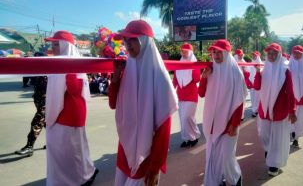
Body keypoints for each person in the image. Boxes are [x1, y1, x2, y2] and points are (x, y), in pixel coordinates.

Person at [108, 20, 178, 186]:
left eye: (132, 39)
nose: (127, 44)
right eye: (125, 40)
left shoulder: (159, 77)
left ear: (145, 41)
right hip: (125, 149)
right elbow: (113, 104)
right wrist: (116, 79)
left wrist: (155, 167)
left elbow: (164, 127)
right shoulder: (127, 70)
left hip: (147, 154)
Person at [44, 30, 98, 186]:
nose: (52, 48)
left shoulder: (73, 64)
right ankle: (78, 176)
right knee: (66, 151)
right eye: (52, 44)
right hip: (60, 115)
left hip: (70, 115)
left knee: (72, 151)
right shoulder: (56, 63)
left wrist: (70, 70)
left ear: (65, 46)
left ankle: (79, 178)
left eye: (56, 44)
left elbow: (75, 90)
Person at [198, 39, 246, 186]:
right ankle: (214, 181)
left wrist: (234, 123)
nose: (216, 55)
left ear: (227, 53)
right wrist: (204, 77)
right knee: (212, 156)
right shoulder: (210, 69)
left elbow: (239, 100)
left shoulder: (235, 72)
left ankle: (235, 179)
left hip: (229, 123)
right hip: (211, 123)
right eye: (214, 52)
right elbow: (201, 93)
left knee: (226, 157)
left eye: (219, 52)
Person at [246, 43, 296, 176]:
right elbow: (257, 87)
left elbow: (290, 92)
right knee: (264, 135)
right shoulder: (264, 70)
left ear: (279, 55)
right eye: (269, 53)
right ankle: (269, 151)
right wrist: (257, 74)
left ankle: (275, 164)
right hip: (265, 109)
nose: (271, 56)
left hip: (280, 110)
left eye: (274, 53)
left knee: (278, 138)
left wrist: (292, 110)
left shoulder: (286, 70)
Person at [15, 52, 48, 157]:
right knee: (48, 123)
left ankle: (29, 146)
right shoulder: (36, 70)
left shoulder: (49, 70)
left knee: (37, 122)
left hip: (46, 101)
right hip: (38, 99)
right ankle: (54, 142)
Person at [173, 43, 201, 148]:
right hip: (181, 95)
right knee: (182, 118)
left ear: (190, 52)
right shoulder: (179, 63)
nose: (183, 53)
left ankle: (195, 136)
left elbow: (197, 79)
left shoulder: (194, 63)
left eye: (185, 51)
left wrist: (193, 67)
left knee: (187, 117)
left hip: (191, 95)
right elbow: (175, 79)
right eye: (182, 51)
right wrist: (171, 89)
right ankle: (186, 138)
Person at [248, 51, 263, 118]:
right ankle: (254, 110)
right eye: (253, 55)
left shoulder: (261, 65)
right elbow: (248, 74)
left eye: (255, 55)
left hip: (258, 86)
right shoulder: (250, 64)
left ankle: (256, 110)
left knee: (257, 98)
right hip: (252, 85)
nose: (254, 56)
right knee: (253, 98)